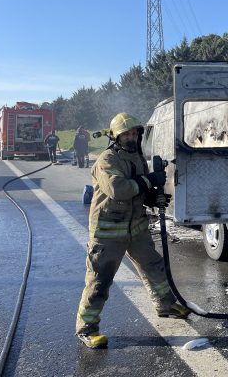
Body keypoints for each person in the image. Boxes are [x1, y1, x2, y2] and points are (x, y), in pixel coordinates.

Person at [75, 113, 190, 349]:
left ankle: (165, 305)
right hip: (108, 232)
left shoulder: (138, 158)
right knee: (99, 280)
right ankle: (87, 329)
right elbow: (119, 189)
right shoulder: (106, 160)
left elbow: (138, 189)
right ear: (116, 136)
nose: (131, 137)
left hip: (136, 228)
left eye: (134, 133)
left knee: (154, 267)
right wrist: (148, 181)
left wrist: (153, 197)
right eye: (126, 133)